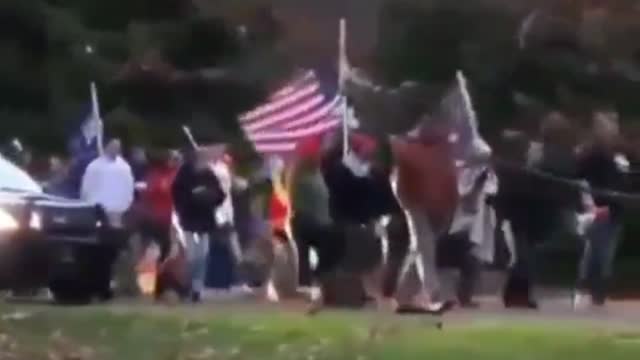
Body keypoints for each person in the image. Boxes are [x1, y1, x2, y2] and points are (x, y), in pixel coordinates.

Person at [574, 108, 629, 308]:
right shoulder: (593, 153)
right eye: (609, 125)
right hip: (600, 209)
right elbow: (580, 176)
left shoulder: (615, 154)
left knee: (601, 253)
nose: (613, 129)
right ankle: (590, 292)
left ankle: (595, 293)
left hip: (614, 210)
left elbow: (622, 180)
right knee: (598, 253)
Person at [80, 138, 136, 299]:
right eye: (112, 146)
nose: (115, 150)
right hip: (98, 212)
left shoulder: (124, 168)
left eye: (118, 147)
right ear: (106, 147)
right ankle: (96, 285)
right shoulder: (94, 167)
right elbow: (87, 188)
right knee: (97, 252)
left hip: (116, 215)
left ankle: (108, 285)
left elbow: (128, 189)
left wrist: (124, 207)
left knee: (112, 253)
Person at [172, 148, 225, 302]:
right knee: (192, 256)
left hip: (205, 221)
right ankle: (186, 285)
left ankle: (197, 288)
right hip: (189, 220)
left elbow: (220, 195)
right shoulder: (184, 175)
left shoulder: (209, 174)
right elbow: (177, 195)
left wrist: (209, 196)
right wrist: (193, 198)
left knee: (203, 255)